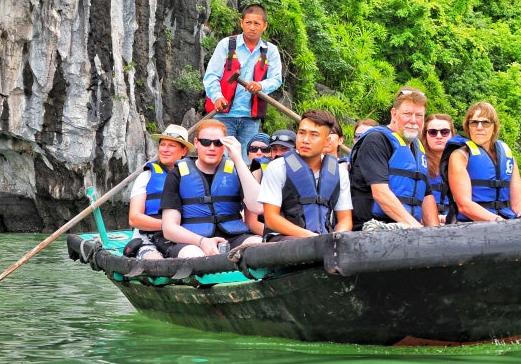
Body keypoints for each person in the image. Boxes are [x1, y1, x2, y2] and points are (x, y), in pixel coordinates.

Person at [159, 119, 263, 258]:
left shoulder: (237, 170)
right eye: (206, 142)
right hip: (193, 241)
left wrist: (238, 159)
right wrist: (202, 242)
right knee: (194, 255)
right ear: (196, 142)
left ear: (225, 146)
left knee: (261, 246)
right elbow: (169, 228)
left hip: (234, 237)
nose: (212, 147)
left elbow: (257, 207)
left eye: (218, 143)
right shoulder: (176, 174)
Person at [348, 86, 440, 231]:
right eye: (407, 114)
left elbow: (427, 196)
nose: (413, 120)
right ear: (394, 114)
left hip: (407, 229)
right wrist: (416, 228)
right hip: (373, 229)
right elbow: (380, 192)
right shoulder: (376, 140)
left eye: (419, 115)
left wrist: (435, 233)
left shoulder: (418, 147)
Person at [202, 3, 282, 163]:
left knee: (248, 159)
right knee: (222, 159)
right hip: (224, 115)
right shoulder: (226, 45)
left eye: (257, 23)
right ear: (241, 23)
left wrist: (261, 86)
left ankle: (245, 188)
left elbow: (276, 79)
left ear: (264, 26)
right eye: (248, 22)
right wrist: (217, 97)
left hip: (250, 118)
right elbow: (211, 76)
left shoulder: (270, 50)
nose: (252, 27)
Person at [258, 109, 353, 240]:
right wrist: (310, 237)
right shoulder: (278, 167)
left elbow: (345, 219)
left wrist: (335, 239)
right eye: (301, 133)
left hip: (323, 239)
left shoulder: (339, 172)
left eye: (314, 135)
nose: (305, 140)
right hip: (283, 240)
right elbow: (271, 218)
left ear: (327, 141)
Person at [443, 101, 521, 222]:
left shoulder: (507, 156)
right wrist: (497, 220)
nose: (479, 127)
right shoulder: (460, 156)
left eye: (485, 122)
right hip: (474, 224)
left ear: (494, 126)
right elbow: (464, 205)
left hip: (504, 219)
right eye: (474, 123)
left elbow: (518, 201)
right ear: (468, 126)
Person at [126, 124, 194, 259]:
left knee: (193, 255)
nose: (165, 150)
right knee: (154, 260)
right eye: (163, 145)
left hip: (183, 239)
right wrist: (170, 227)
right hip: (148, 240)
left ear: (183, 151)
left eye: (172, 146)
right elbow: (134, 219)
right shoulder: (146, 177)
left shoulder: (194, 179)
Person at [422, 114, 455, 223]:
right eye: (433, 132)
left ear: (452, 134)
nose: (439, 136)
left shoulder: (463, 162)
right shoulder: (417, 162)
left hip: (455, 221)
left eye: (444, 132)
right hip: (425, 223)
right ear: (425, 135)